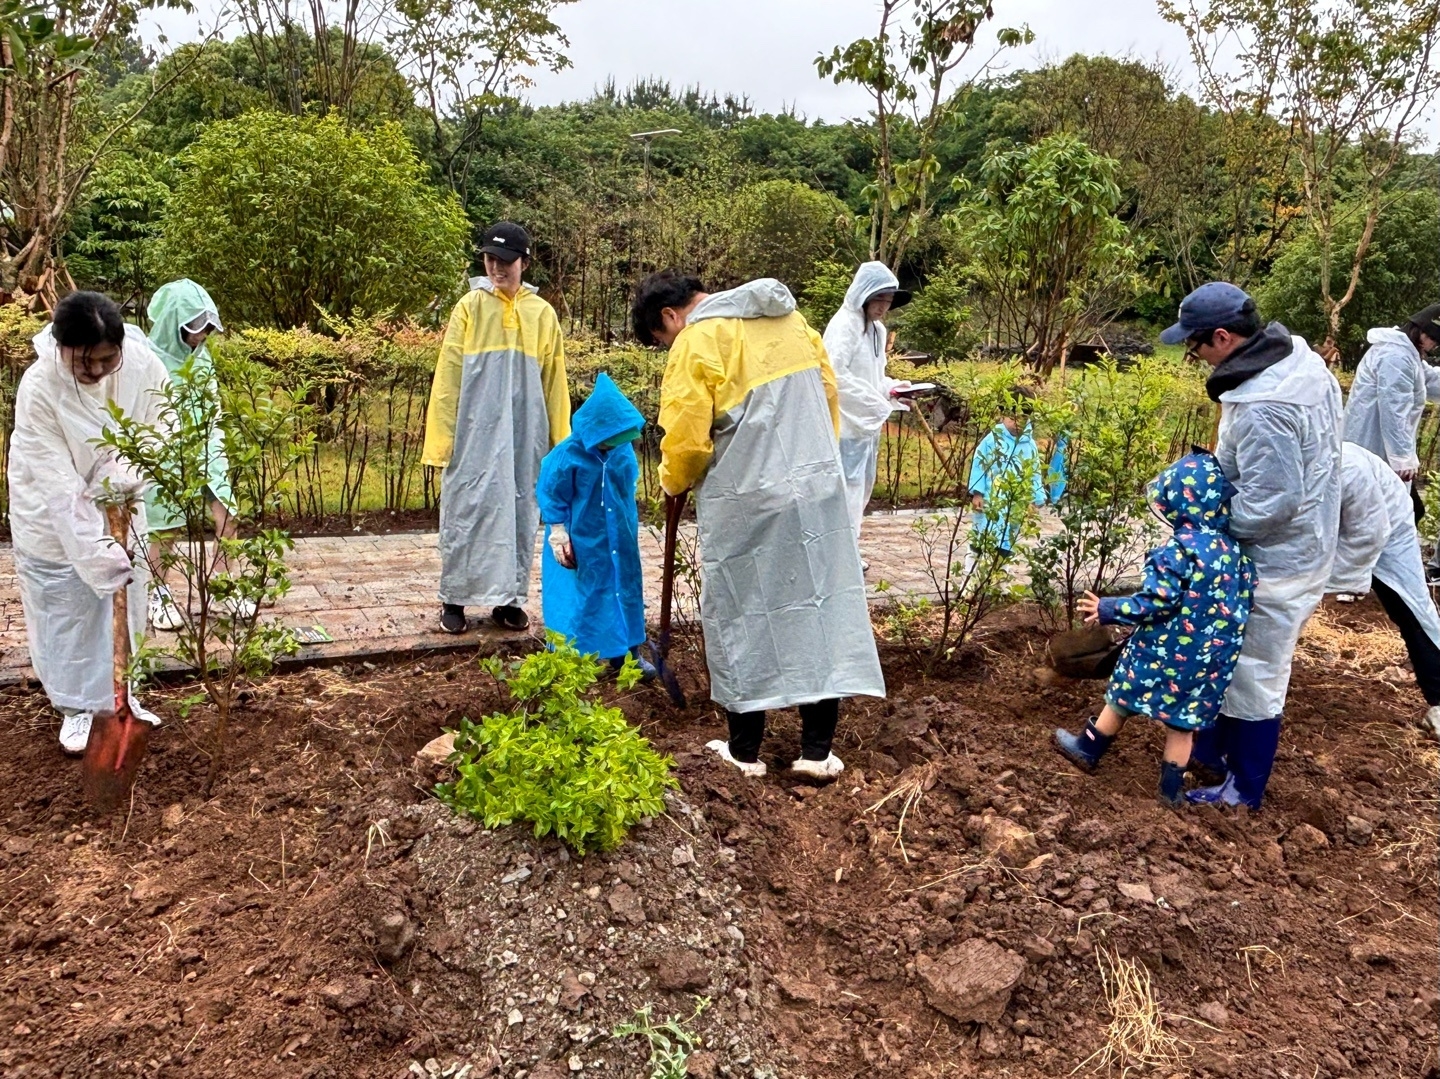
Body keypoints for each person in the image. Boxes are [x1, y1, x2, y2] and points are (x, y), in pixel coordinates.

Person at [633, 271, 884, 779]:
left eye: (662, 341)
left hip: (747, 499)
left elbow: (686, 438)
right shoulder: (793, 322)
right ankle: (816, 752)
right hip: (816, 492)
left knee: (741, 613)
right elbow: (829, 398)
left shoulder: (698, 339)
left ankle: (744, 752)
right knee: (818, 608)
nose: (668, 345)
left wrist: (672, 481)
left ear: (669, 317)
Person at [1158, 282, 1342, 809]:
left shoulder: (1267, 406)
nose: (1194, 358)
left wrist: (1205, 527)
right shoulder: (1294, 364)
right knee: (1232, 653)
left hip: (1278, 556)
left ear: (1222, 337)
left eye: (1195, 347)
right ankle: (1213, 752)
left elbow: (1270, 503)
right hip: (1298, 541)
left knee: (1255, 668)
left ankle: (1243, 787)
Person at [8, 291, 169, 754]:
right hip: (53, 516)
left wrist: (128, 473)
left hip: (123, 507)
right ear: (62, 348)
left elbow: (164, 424)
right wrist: (96, 552)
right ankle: (77, 707)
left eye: (107, 359)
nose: (98, 372)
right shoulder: (40, 388)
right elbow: (59, 487)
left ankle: (121, 694)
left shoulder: (141, 366)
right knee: (67, 609)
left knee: (124, 606)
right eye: (86, 363)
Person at [1053, 451, 1255, 807]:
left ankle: (1087, 748)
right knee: (1184, 722)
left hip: (1161, 650)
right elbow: (1245, 601)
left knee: (1122, 696)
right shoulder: (1236, 555)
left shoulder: (1178, 551)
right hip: (1209, 661)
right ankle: (1170, 791)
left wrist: (1108, 609)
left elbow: (1156, 601)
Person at [422, 222, 570, 634]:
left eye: (505, 261)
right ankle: (454, 598)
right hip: (474, 432)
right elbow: (449, 376)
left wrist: (562, 445)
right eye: (490, 259)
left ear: (524, 262)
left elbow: (554, 382)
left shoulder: (542, 314)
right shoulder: (469, 307)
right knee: (467, 508)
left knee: (521, 510)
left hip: (526, 435)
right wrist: (442, 440)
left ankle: (509, 600)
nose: (496, 267)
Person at [537, 372, 655, 678]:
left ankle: (627, 658)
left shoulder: (622, 448)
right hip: (582, 539)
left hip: (619, 535)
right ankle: (573, 661)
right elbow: (551, 492)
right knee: (581, 598)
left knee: (623, 590)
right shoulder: (566, 456)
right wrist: (558, 531)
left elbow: (627, 484)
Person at [143, 278, 242, 631]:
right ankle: (158, 592)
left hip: (205, 445)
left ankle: (222, 587)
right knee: (165, 526)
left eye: (206, 327)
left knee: (227, 515)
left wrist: (214, 442)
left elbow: (211, 403)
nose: (201, 336)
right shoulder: (146, 358)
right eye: (194, 327)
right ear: (174, 322)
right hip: (163, 451)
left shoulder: (202, 358)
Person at [1329, 443, 1440, 739]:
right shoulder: (1285, 462)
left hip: (1389, 527)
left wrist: (1323, 581)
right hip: (1342, 524)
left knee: (1410, 609)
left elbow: (1369, 535)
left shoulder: (1348, 468)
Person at [821, 261, 913, 542]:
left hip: (867, 427)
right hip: (845, 423)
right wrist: (875, 402)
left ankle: (849, 550)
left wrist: (894, 389)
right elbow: (834, 375)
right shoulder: (844, 326)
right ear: (864, 295)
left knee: (860, 489)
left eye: (888, 301)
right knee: (842, 490)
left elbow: (875, 375)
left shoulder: (878, 331)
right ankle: (838, 554)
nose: (883, 307)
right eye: (879, 299)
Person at [1343, 304, 1440, 486]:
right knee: (1378, 505)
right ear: (1422, 332)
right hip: (1373, 445)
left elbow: (1430, 379)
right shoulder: (1395, 357)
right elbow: (1394, 408)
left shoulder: (1405, 353)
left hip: (1378, 447)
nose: (1434, 346)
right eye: (1435, 340)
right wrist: (1402, 457)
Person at [967, 387, 1047, 567]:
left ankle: (999, 582)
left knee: (1006, 544)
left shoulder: (1030, 445)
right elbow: (979, 463)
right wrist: (977, 493)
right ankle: (969, 582)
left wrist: (1035, 499)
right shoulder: (992, 439)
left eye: (1023, 418)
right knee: (980, 541)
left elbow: (1034, 472)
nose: (1017, 423)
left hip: (1015, 505)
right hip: (990, 502)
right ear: (1003, 415)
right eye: (1013, 417)